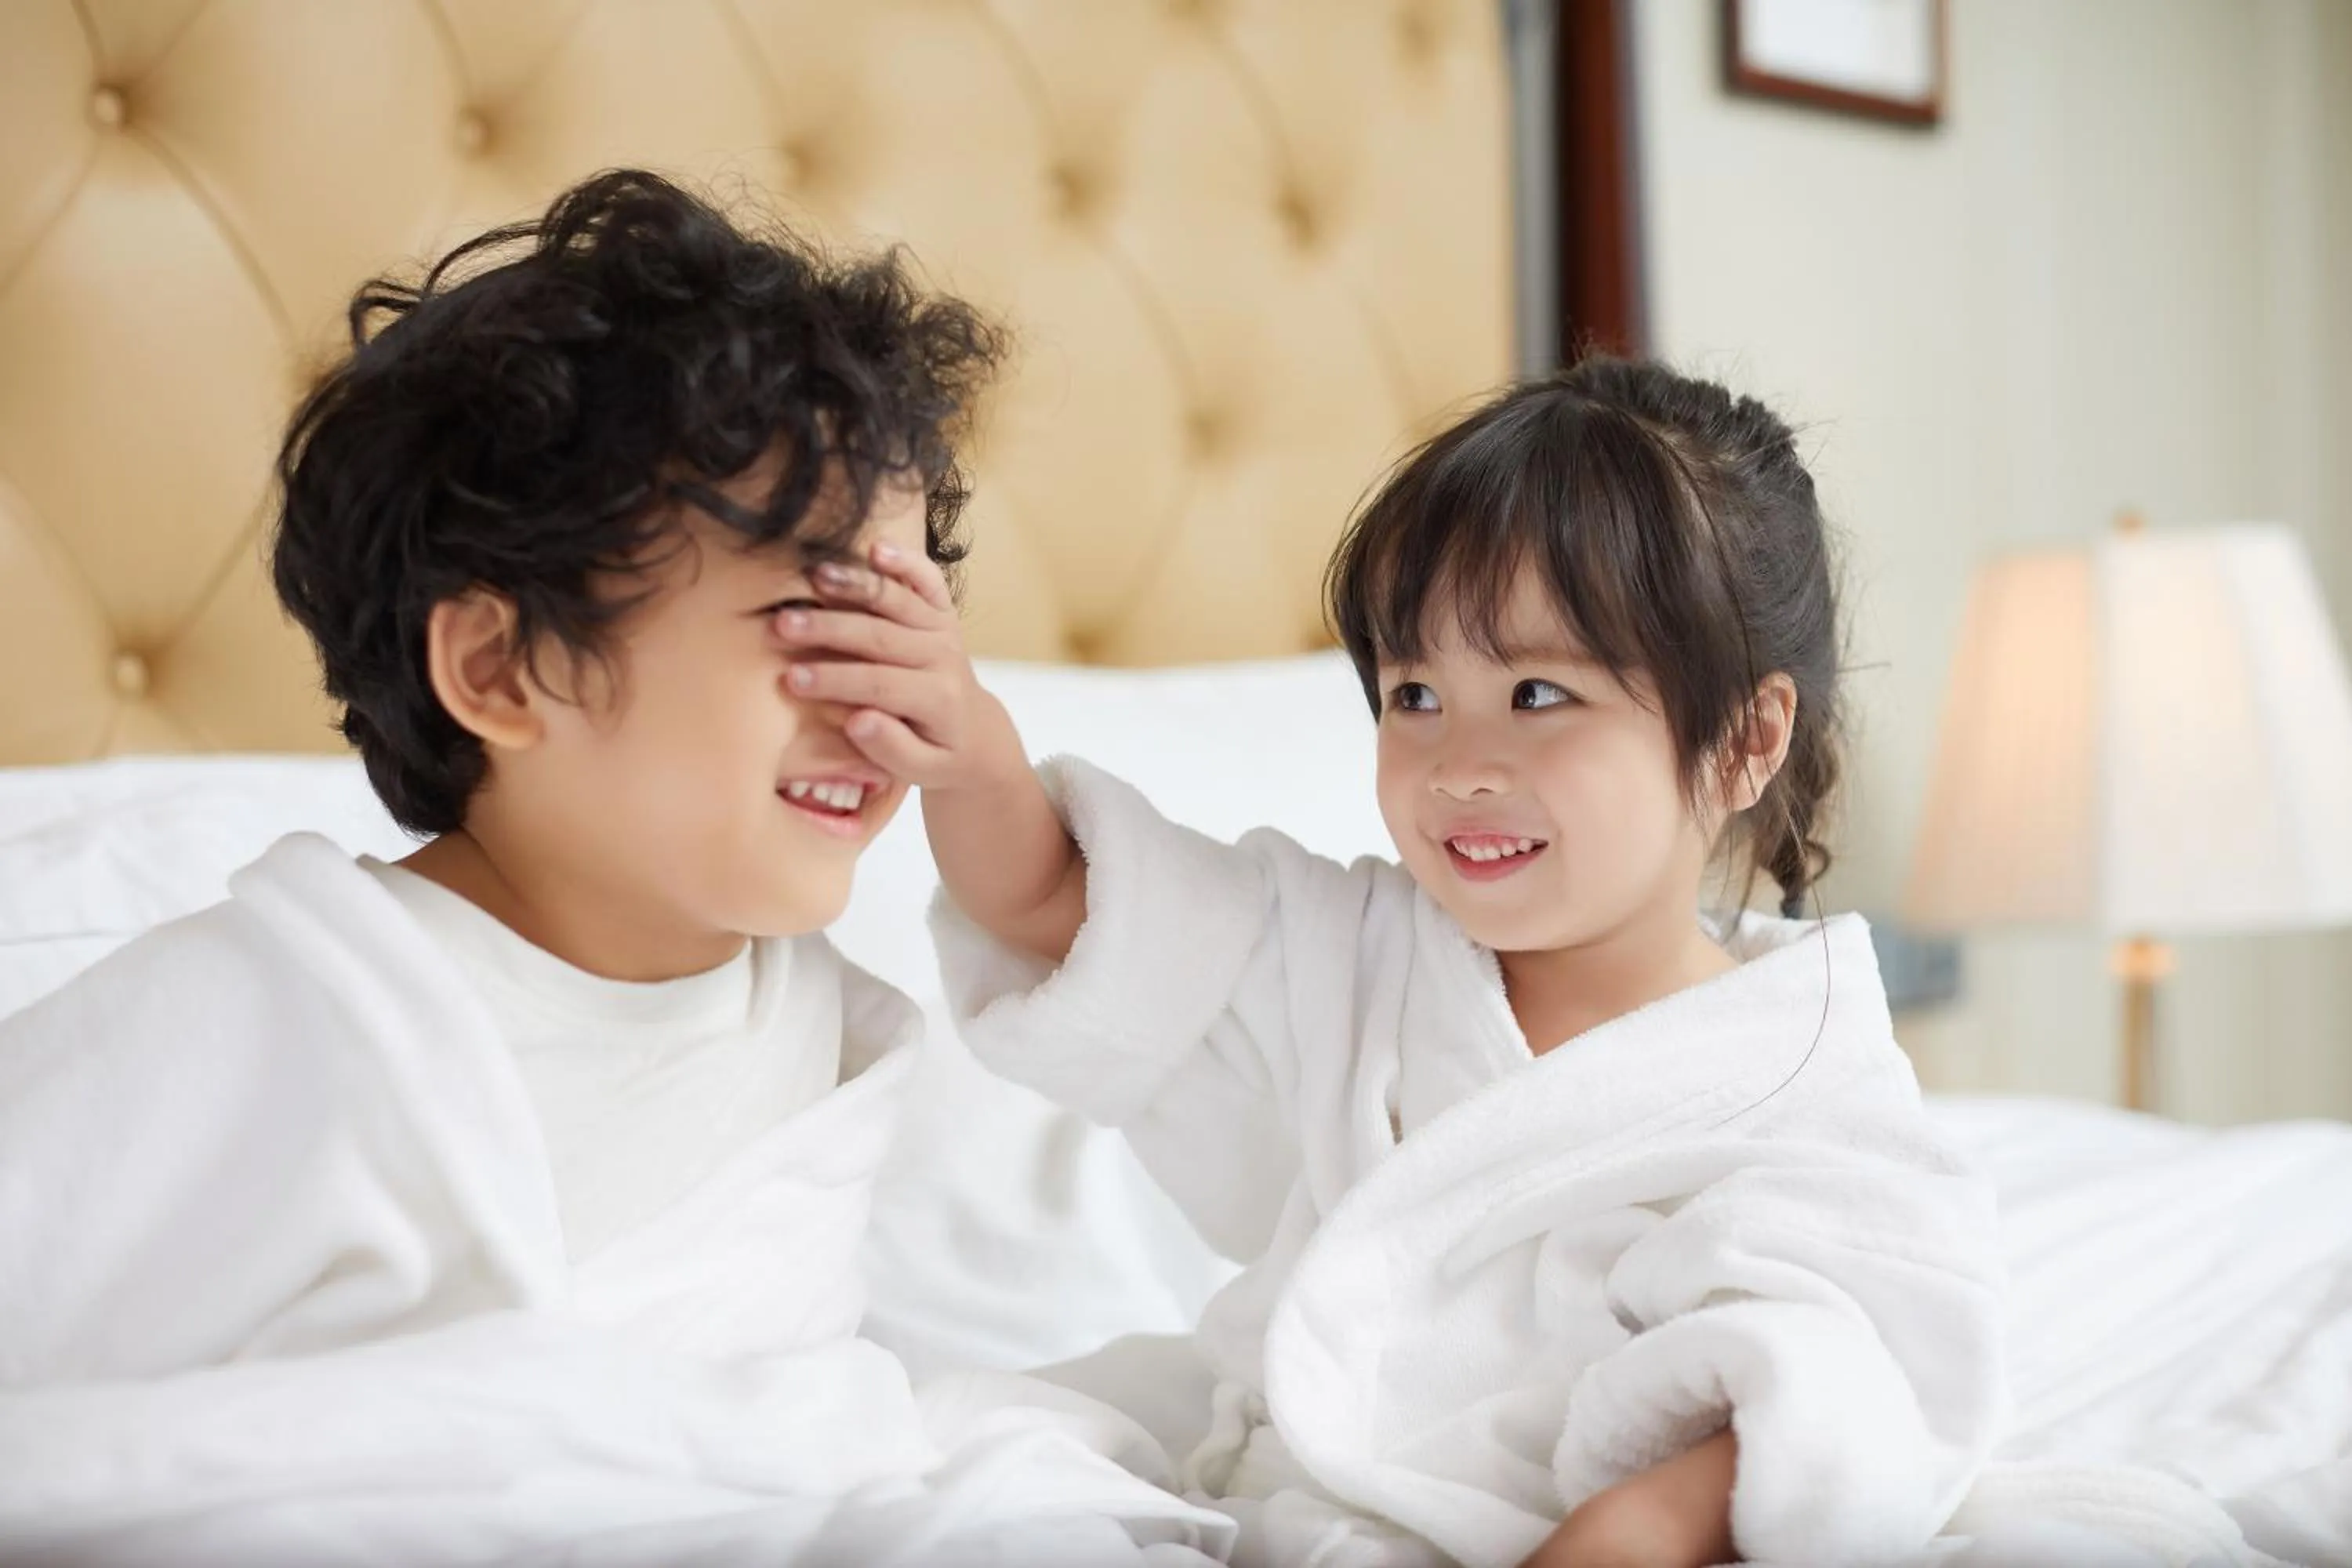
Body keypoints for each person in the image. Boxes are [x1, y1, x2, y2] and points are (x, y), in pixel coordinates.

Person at [0, 169, 1225, 1568]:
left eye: (908, 634)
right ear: (501, 666)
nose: (880, 709)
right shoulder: (294, 1004)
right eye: (809, 624)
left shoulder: (813, 1020)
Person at [775, 358, 2008, 1567]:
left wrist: (1649, 1520)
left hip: (1574, 1527)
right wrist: (962, 743)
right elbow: (1053, 896)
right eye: (1415, 692)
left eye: (1536, 694)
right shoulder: (1350, 952)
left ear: (1744, 740)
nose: (1459, 761)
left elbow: (1861, 1365)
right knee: (951, 1484)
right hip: (1283, 1498)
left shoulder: (1800, 1077)